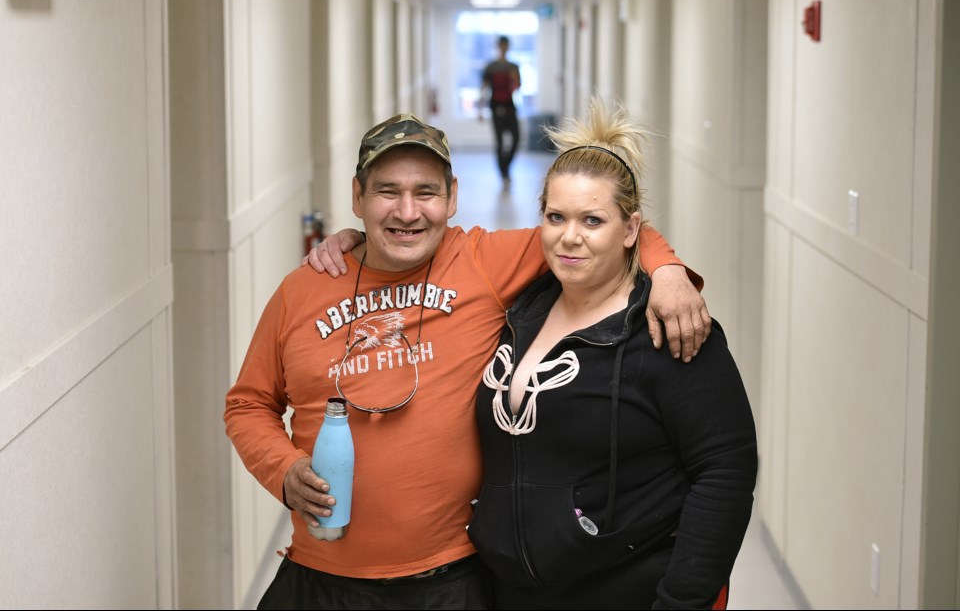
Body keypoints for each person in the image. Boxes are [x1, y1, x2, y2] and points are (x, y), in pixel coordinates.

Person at [226, 112, 710, 610]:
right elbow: (247, 404)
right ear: (357, 198)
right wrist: (283, 469)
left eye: (427, 193)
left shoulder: (483, 261)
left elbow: (598, 229)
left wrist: (668, 271)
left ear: (452, 197)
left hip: (450, 580)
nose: (408, 212)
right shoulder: (303, 289)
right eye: (387, 191)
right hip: (319, 574)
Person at [466, 97, 758, 610]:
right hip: (514, 590)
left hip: (627, 588)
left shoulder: (669, 329)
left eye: (593, 221)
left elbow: (726, 473)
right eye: (555, 216)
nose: (569, 237)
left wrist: (681, 601)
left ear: (631, 230)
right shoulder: (522, 309)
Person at [480, 35, 521, 189]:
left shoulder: (513, 67)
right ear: (498, 46)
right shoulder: (491, 67)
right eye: (501, 45)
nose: (503, 48)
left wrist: (514, 80)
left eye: (505, 45)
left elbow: (517, 87)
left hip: (510, 107)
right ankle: (503, 173)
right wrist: (480, 108)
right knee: (500, 143)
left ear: (508, 47)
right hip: (495, 107)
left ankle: (506, 167)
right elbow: (484, 87)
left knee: (515, 140)